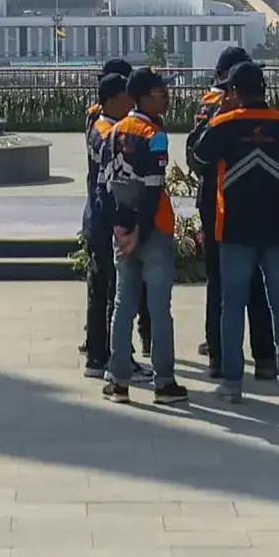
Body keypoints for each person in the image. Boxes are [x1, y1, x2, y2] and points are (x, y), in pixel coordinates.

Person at [193, 63, 279, 404]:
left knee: (232, 306)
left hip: (235, 230)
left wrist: (218, 115)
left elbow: (198, 158)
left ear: (233, 92)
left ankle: (232, 383)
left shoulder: (224, 125)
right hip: (278, 230)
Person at [97, 70, 184, 404]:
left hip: (124, 230)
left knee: (123, 305)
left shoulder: (114, 132)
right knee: (159, 308)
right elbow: (153, 188)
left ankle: (118, 382)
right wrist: (139, 231)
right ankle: (164, 383)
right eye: (161, 93)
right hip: (153, 230)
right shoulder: (155, 135)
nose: (167, 98)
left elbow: (104, 187)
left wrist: (120, 228)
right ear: (144, 97)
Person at [78, 61, 135, 376]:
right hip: (106, 220)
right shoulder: (109, 132)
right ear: (113, 99)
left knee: (100, 289)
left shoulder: (98, 123)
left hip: (96, 217)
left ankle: (98, 354)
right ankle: (110, 356)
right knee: (111, 290)